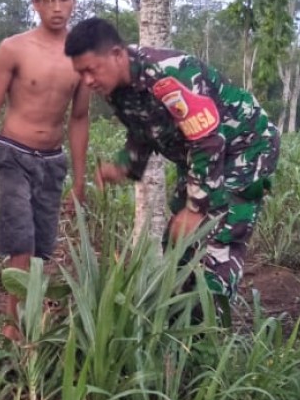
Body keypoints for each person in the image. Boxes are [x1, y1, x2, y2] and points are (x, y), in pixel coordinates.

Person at [64, 17, 279, 301]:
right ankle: (179, 315)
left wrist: (196, 207)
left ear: (116, 54)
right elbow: (144, 130)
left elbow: (209, 140)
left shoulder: (168, 75)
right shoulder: (115, 88)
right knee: (178, 241)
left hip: (245, 146)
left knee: (218, 239)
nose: (87, 81)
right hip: (198, 154)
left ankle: (211, 320)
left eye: (91, 70)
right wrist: (123, 165)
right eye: (81, 73)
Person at [0, 0, 90, 334]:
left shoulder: (81, 55)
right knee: (22, 241)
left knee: (41, 249)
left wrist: (80, 181)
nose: (57, 7)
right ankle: (12, 328)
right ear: (35, 3)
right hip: (13, 154)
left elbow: (79, 118)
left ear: (74, 0)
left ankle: (26, 316)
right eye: (48, 0)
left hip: (52, 161)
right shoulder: (14, 48)